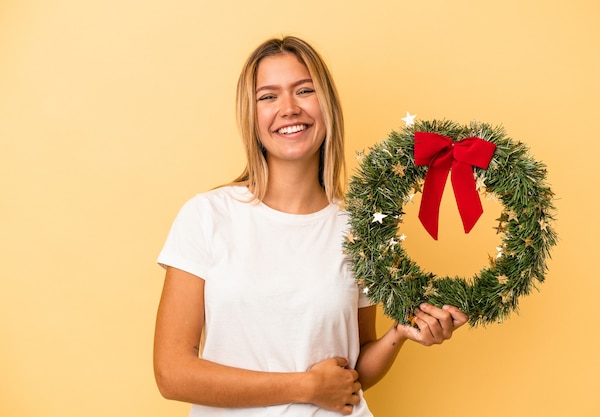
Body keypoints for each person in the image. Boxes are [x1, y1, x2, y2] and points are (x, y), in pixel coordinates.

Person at [153, 36, 468, 417]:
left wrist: (398, 334)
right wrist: (306, 386)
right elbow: (172, 374)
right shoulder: (207, 216)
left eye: (304, 90)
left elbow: (352, 374)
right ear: (250, 116)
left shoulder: (358, 230)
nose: (288, 108)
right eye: (268, 96)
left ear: (327, 106)